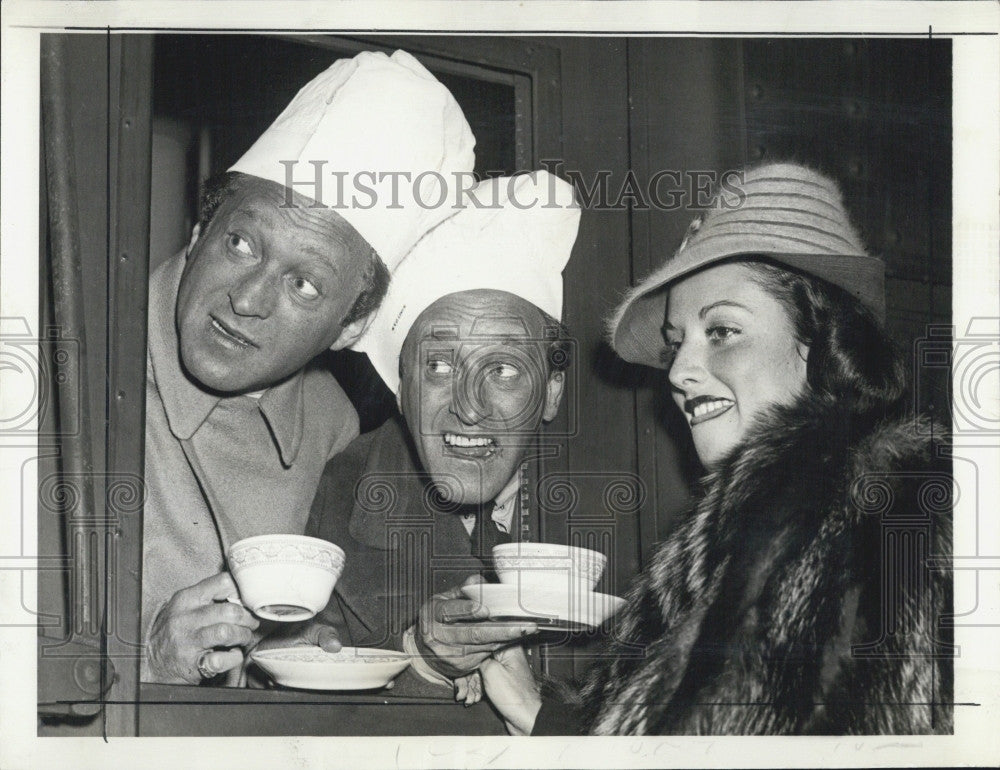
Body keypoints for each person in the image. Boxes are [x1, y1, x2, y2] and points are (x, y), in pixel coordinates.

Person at [479, 161, 953, 735]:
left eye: (722, 332)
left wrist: (552, 726)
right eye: (676, 343)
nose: (679, 370)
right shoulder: (764, 524)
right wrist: (540, 712)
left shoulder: (875, 514)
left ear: (822, 341)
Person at [141, 49, 475, 684]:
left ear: (350, 326)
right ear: (197, 231)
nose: (247, 299)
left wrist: (305, 642)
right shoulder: (58, 366)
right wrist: (143, 659)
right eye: (240, 243)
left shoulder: (334, 426)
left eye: (304, 286)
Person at [303, 172, 581, 704]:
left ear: (551, 394)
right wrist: (423, 664)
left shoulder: (622, 511)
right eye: (438, 364)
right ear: (401, 386)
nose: (468, 407)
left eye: (502, 369)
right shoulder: (334, 499)